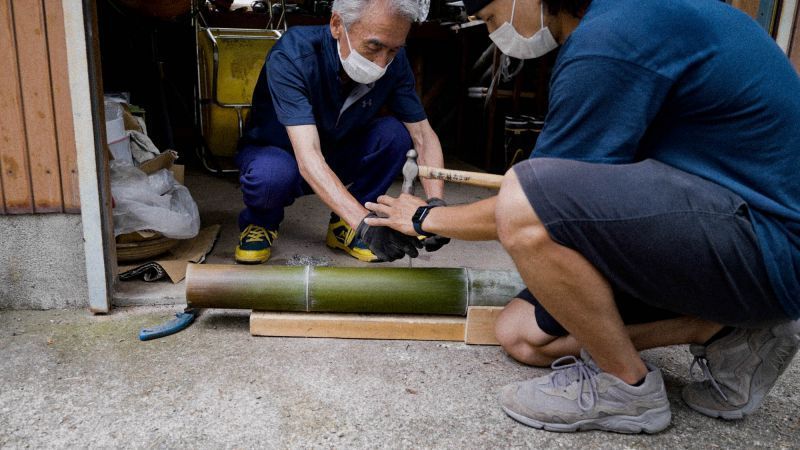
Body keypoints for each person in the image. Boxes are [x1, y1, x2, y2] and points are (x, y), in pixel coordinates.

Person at [365, 0, 800, 434]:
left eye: (492, 17)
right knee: (522, 335)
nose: (495, 32)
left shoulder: (614, 36)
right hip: (725, 226)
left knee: (525, 201)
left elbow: (534, 205)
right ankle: (720, 330)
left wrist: (424, 217)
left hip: (770, 245)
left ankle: (626, 389)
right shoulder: (626, 19)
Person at [234, 0, 449, 264]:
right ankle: (260, 222)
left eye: (393, 50)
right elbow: (309, 157)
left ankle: (344, 226)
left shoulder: (395, 63)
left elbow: (423, 136)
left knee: (395, 136)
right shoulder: (293, 54)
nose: (382, 62)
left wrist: (436, 207)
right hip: (283, 153)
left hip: (337, 151)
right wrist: (365, 224)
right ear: (337, 25)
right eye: (374, 47)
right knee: (271, 176)